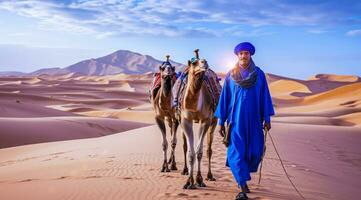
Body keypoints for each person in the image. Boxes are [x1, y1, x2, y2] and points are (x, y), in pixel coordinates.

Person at [215, 42, 275, 200]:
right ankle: (241, 185)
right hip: (236, 122)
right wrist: (221, 121)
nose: (243, 56)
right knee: (236, 153)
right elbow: (225, 98)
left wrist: (267, 118)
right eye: (241, 53)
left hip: (255, 121)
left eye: (246, 53)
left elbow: (264, 96)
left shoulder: (259, 74)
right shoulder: (231, 75)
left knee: (255, 152)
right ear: (237, 55)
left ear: (250, 55)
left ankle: (243, 178)